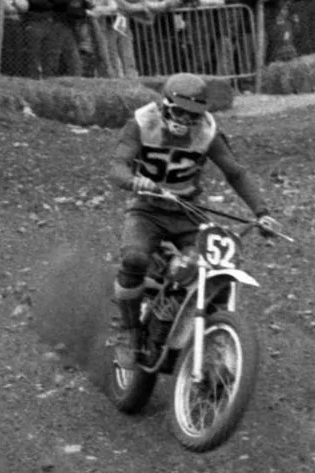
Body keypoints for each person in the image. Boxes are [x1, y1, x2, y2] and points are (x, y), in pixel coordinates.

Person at [106, 72, 279, 367]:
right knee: (134, 259)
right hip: (147, 210)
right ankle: (129, 331)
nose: (186, 120)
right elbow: (117, 166)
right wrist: (135, 181)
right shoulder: (142, 122)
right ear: (165, 106)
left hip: (188, 211)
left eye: (193, 115)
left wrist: (262, 213)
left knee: (215, 268)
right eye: (180, 112)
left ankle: (212, 334)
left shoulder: (208, 132)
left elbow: (235, 172)